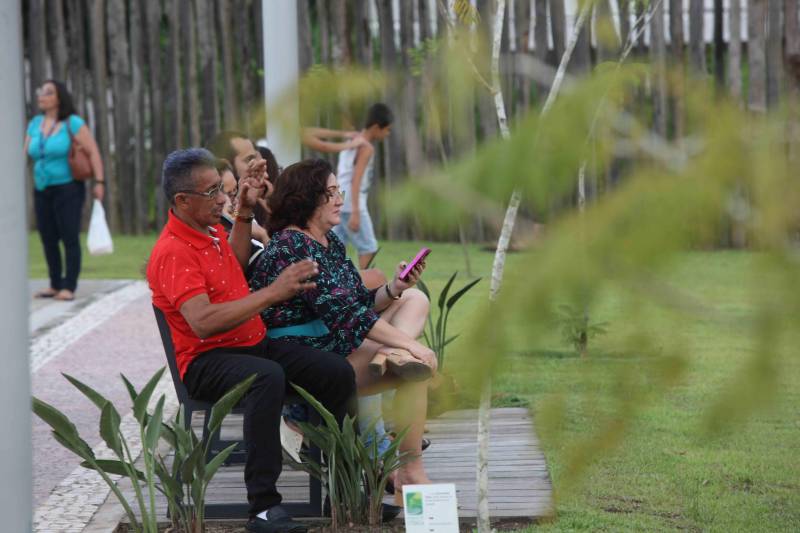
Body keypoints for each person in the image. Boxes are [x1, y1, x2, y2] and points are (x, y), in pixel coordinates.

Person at [147, 148, 357, 533]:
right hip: (207, 360)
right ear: (182, 201)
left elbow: (235, 263)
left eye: (222, 190)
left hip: (249, 345)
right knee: (267, 376)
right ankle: (263, 508)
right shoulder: (173, 252)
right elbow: (203, 322)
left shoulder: (207, 232)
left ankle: (346, 490)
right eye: (213, 192)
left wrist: (244, 210)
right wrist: (274, 293)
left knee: (337, 371)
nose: (222, 198)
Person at [249, 158, 436, 504]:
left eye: (339, 191)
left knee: (413, 298)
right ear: (305, 198)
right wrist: (415, 347)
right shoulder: (293, 246)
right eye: (330, 193)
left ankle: (390, 354)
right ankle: (411, 470)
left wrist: (394, 287)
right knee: (417, 369)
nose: (340, 200)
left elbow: (360, 301)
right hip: (308, 356)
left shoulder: (327, 241)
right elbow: (349, 314)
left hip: (336, 340)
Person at [24, 80, 105, 301]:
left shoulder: (73, 123)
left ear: (59, 98)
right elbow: (24, 153)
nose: (41, 95)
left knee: (69, 236)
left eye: (48, 92)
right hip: (41, 188)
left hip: (68, 188)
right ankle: (54, 284)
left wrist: (99, 182)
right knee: (47, 236)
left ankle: (69, 286)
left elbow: (93, 152)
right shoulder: (35, 123)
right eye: (40, 91)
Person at [305, 104, 393, 270]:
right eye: (387, 130)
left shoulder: (352, 140)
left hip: (340, 197)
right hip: (351, 202)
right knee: (369, 247)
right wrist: (355, 212)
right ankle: (364, 284)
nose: (387, 134)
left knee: (334, 245)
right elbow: (356, 180)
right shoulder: (366, 147)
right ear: (376, 127)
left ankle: (332, 277)